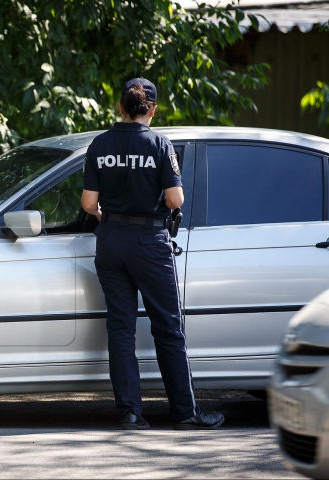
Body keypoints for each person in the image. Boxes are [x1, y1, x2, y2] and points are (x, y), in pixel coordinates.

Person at [81, 78, 224, 430]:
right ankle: (185, 413)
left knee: (120, 328)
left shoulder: (100, 144)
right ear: (153, 109)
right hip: (149, 242)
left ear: (120, 107)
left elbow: (88, 204)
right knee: (169, 328)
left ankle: (130, 412)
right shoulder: (159, 144)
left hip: (111, 240)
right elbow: (176, 200)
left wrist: (109, 217)